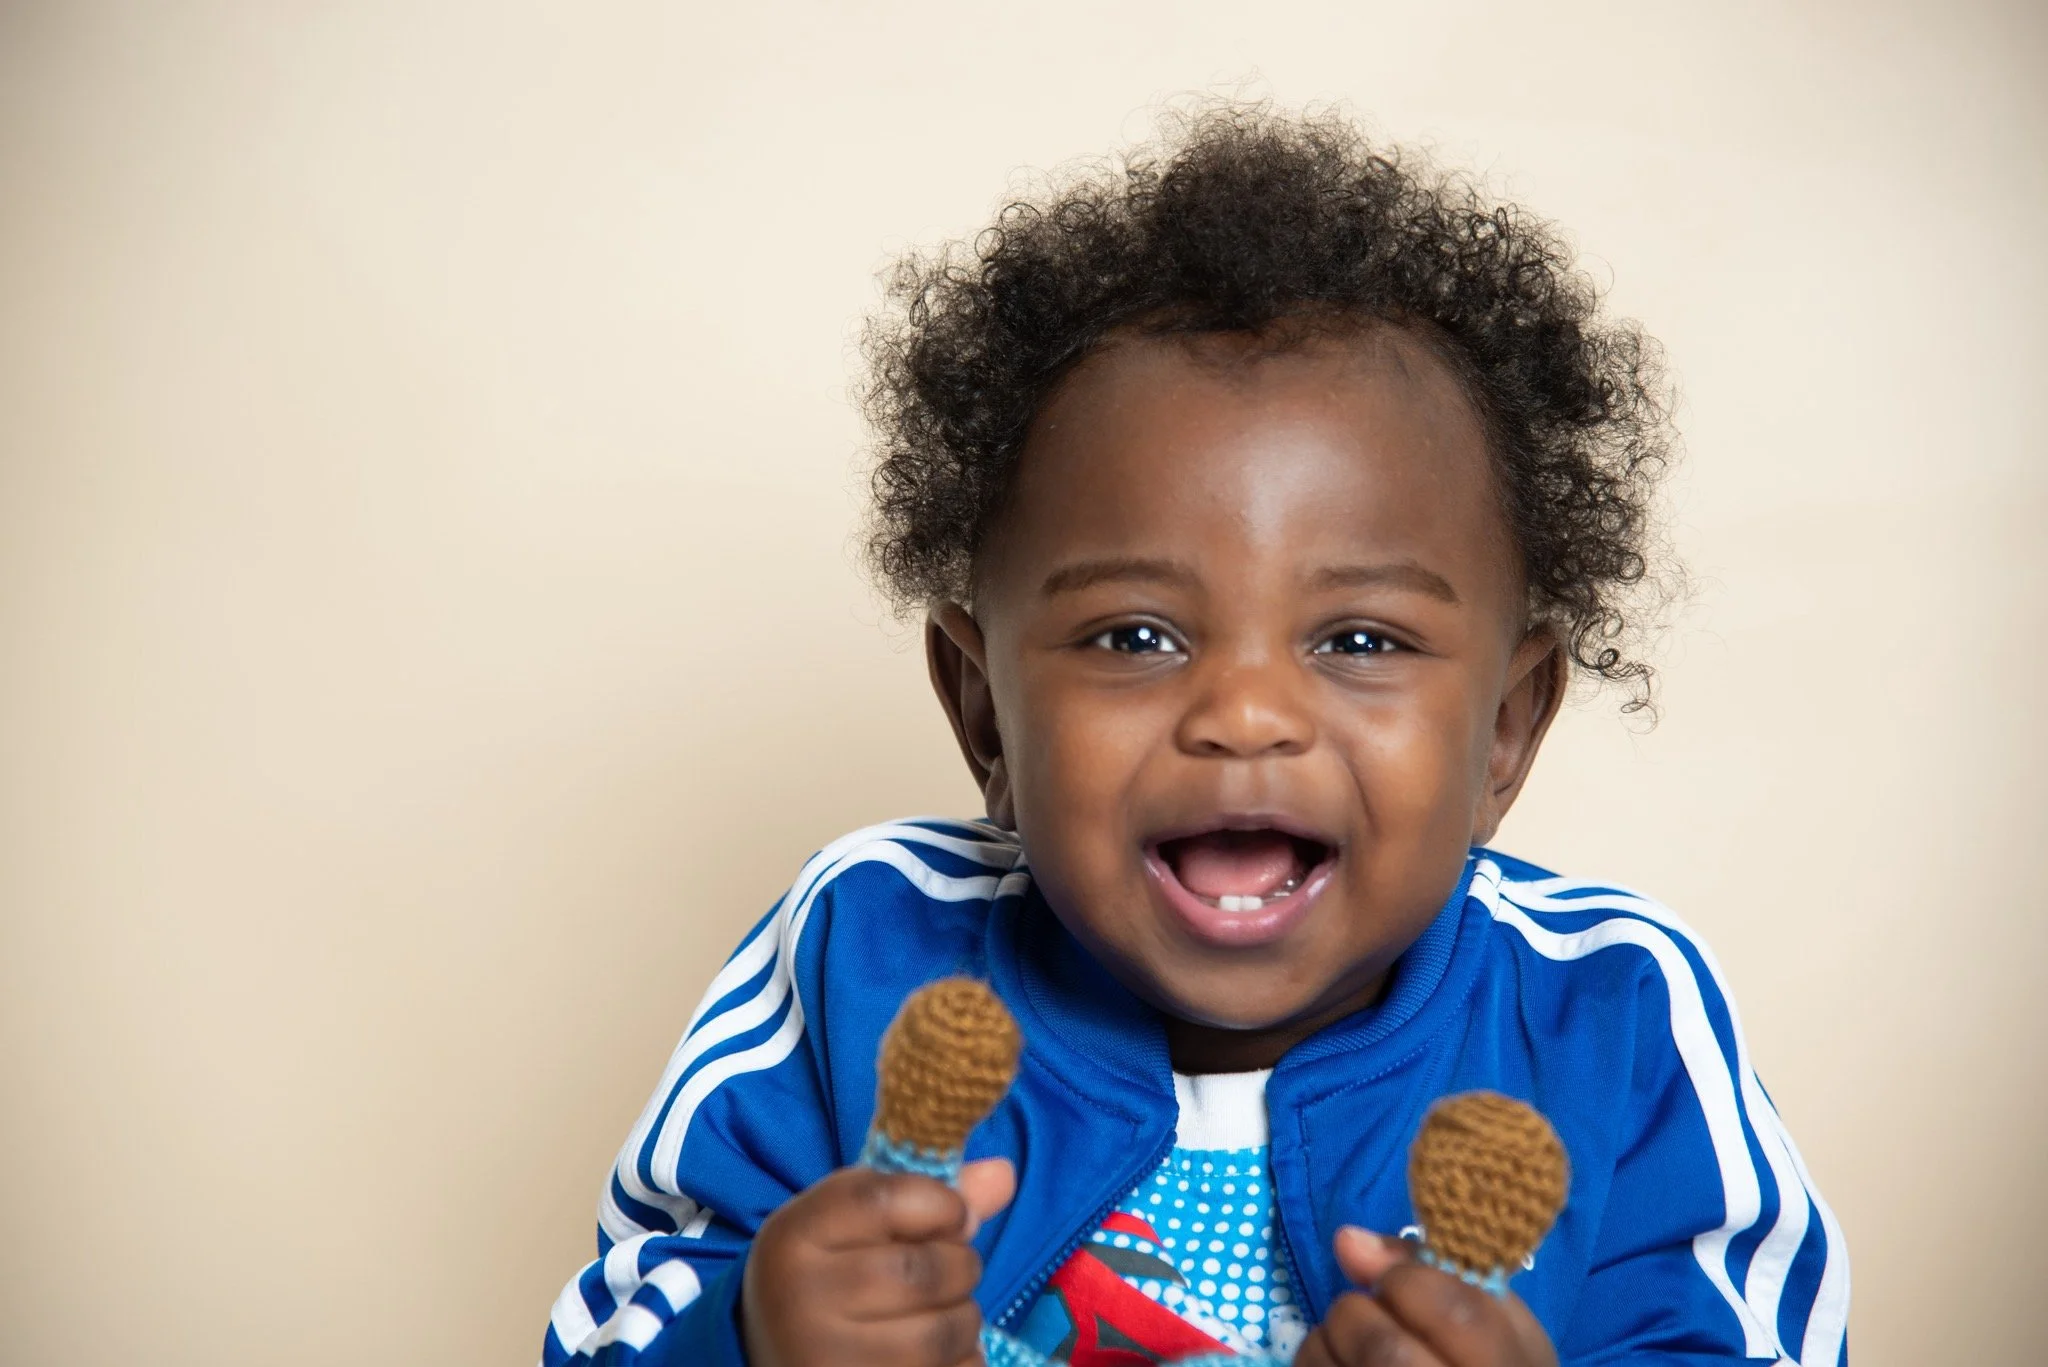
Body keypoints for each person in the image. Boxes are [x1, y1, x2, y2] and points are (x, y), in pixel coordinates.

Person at [539, 105, 1848, 1367]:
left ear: (1504, 731)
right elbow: (606, 1329)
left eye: (1360, 640)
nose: (1244, 715)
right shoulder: (858, 953)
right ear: (982, 710)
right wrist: (751, 1334)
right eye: (1134, 638)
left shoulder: (1607, 1015)